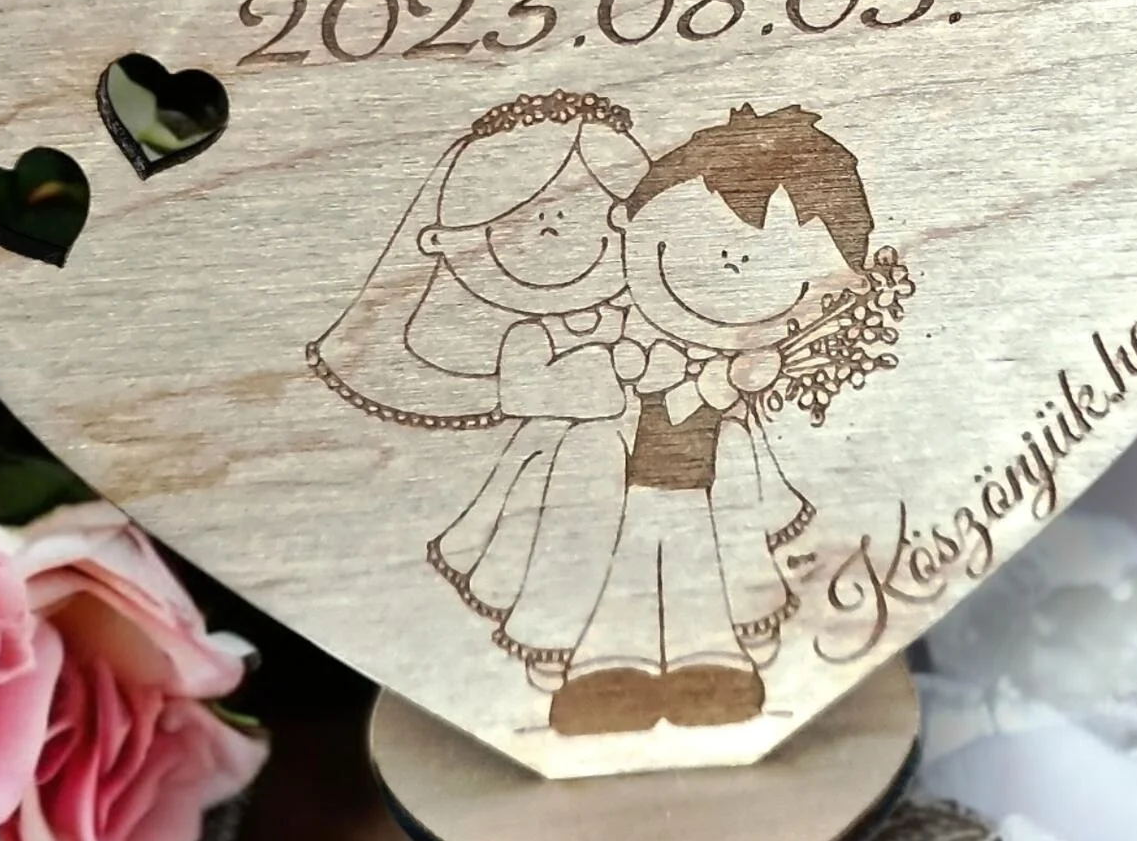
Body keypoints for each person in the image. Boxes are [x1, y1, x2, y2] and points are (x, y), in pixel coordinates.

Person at [551, 105, 874, 736]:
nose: (733, 270)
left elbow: (726, 390)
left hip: (701, 493)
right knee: (625, 568)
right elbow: (627, 381)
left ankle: (710, 662)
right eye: (711, 247)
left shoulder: (736, 363)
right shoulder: (633, 341)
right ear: (630, 222)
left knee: (702, 572)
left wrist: (736, 375)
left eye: (782, 273)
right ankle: (608, 665)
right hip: (628, 490)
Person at [307, 91, 650, 685]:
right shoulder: (528, 336)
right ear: (452, 239)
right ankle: (552, 643)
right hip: (552, 468)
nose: (562, 234)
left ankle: (631, 638)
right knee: (553, 549)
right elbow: (532, 393)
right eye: (526, 224)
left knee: (640, 548)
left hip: (628, 464)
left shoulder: (630, 319)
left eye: (601, 222)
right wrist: (613, 369)